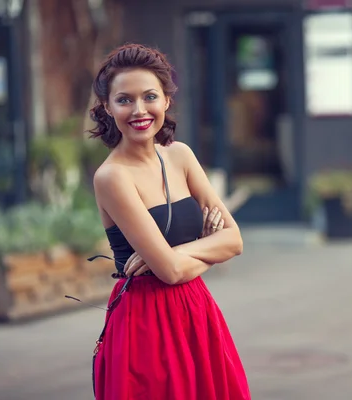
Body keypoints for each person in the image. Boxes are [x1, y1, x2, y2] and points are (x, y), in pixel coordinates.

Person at [88, 43, 250, 400]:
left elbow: (235, 240)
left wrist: (175, 255)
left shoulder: (180, 156)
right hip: (145, 323)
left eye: (149, 96)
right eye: (124, 100)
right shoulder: (112, 177)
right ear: (107, 107)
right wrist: (202, 251)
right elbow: (171, 273)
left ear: (166, 101)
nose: (139, 110)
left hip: (197, 311)